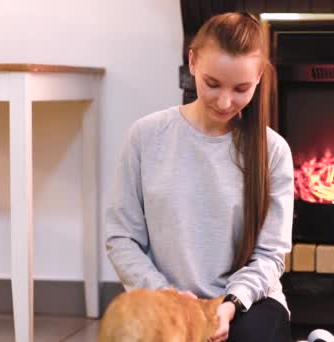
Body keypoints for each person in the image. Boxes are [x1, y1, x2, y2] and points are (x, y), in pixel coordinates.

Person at [106, 12, 294, 342]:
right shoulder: (146, 137)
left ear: (259, 76)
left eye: (241, 88)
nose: (225, 102)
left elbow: (270, 255)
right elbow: (122, 239)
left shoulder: (273, 151)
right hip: (163, 300)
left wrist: (230, 304)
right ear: (192, 62)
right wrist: (168, 297)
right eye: (212, 84)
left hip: (247, 303)